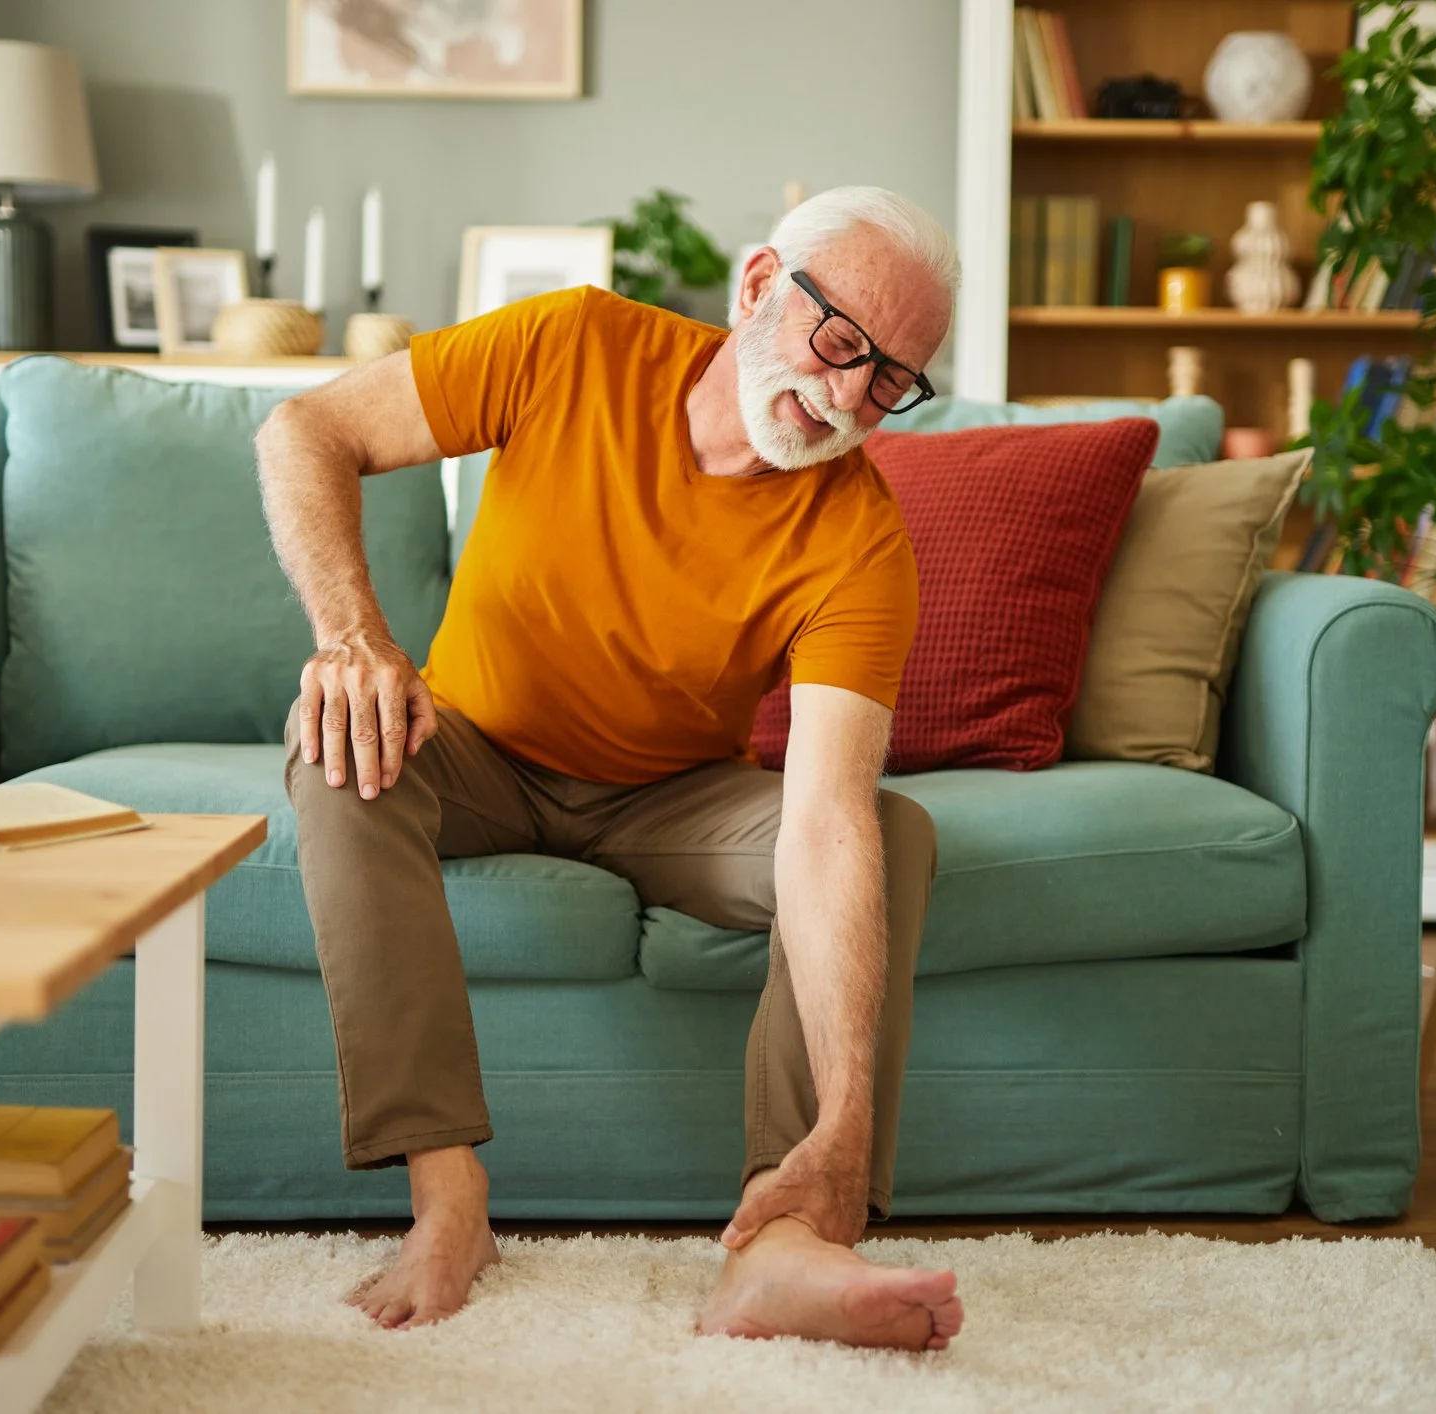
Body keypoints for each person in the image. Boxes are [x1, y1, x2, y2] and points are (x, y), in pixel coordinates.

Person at [256, 186, 961, 1351]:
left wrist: (842, 1122)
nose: (846, 397)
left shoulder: (861, 539)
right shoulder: (573, 342)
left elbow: (825, 821)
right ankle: (448, 1197)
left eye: (889, 379)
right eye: (838, 345)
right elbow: (304, 430)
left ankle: (788, 1241)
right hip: (474, 749)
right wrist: (354, 639)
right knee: (334, 746)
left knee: (890, 830)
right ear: (754, 287)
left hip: (665, 798)